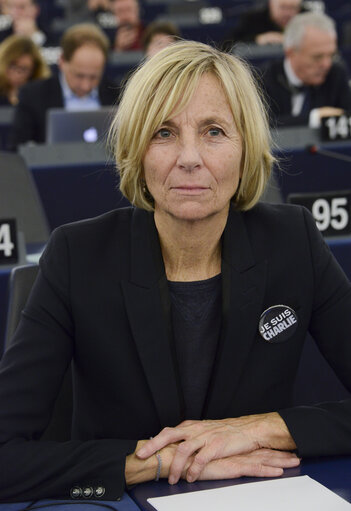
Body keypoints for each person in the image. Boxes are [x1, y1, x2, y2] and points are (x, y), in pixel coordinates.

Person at [1, 39, 351, 502]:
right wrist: (154, 462)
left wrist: (264, 429)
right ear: (136, 150)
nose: (189, 157)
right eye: (163, 133)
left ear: (246, 147)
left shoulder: (294, 242)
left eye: (214, 131)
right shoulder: (75, 255)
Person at [10, 22, 117, 147]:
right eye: (79, 75)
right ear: (62, 62)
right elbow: (18, 149)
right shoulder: (33, 96)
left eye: (94, 77)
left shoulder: (117, 95)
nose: (86, 85)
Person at [261, 11, 351, 127]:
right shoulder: (263, 79)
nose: (326, 64)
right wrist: (314, 117)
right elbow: (262, 127)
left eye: (331, 55)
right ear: (290, 53)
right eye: (317, 57)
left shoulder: (336, 74)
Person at [223, 0, 303, 50]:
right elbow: (226, 46)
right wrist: (256, 40)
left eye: (292, 8)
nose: (287, 13)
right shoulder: (253, 18)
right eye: (283, 7)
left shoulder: (306, 17)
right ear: (271, 5)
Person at [0, 34, 50, 105]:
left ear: (34, 71)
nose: (17, 74)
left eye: (24, 69)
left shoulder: (42, 95)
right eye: (13, 66)